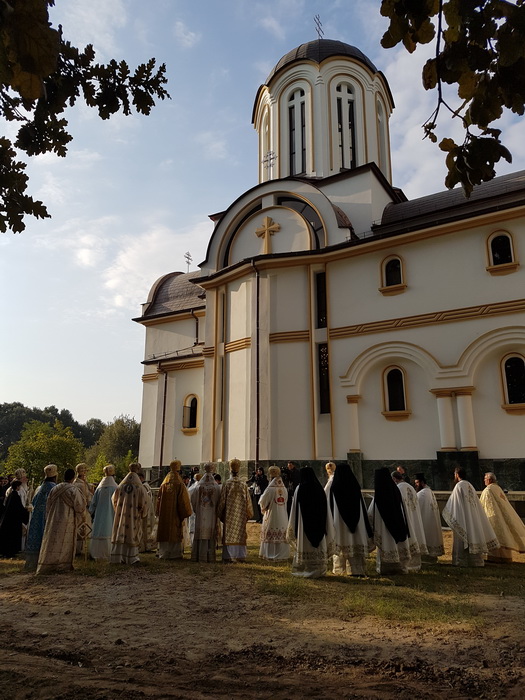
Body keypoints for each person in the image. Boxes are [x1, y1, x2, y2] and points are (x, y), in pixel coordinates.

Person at [442, 467, 499, 567]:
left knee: (461, 539)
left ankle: (461, 561)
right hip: (472, 517)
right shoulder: (470, 485)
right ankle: (475, 561)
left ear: (456, 475)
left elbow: (454, 504)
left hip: (462, 517)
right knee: (473, 535)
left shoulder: (458, 486)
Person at [286, 466, 335, 578]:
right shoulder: (319, 488)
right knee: (319, 547)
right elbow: (325, 509)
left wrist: (294, 524)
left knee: (305, 544)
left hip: (304, 526)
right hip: (319, 524)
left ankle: (306, 568)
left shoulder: (300, 488)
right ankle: (319, 570)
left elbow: (294, 509)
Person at [36, 469, 86, 574]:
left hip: (53, 520)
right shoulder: (73, 489)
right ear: (73, 478)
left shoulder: (55, 488)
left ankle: (48, 565)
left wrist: (49, 517)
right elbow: (80, 507)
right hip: (67, 520)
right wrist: (82, 518)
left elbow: (48, 505)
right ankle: (63, 565)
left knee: (53, 542)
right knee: (65, 542)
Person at [329, 463, 373, 576]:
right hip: (357, 523)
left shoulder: (334, 487)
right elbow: (362, 506)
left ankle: (340, 569)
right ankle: (357, 570)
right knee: (355, 542)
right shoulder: (354, 485)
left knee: (342, 541)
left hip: (340, 523)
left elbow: (330, 507)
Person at [368, 467, 411, 574]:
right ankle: (400, 567)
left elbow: (371, 514)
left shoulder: (379, 496)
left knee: (386, 544)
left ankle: (385, 568)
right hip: (398, 526)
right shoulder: (396, 491)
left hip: (383, 527)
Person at [480, 472, 525, 563]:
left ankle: (494, 557)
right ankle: (505, 557)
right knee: (504, 535)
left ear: (489, 480)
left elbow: (485, 505)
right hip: (502, 517)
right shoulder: (498, 488)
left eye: (485, 478)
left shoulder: (488, 490)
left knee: (495, 535)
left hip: (494, 518)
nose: (484, 480)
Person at [110, 462, 148, 565]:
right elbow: (144, 502)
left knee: (121, 532)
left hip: (121, 515)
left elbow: (114, 499)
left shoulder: (121, 485)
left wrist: (119, 509)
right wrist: (142, 511)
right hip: (133, 515)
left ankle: (118, 557)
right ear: (138, 470)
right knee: (131, 533)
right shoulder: (139, 487)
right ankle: (131, 558)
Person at [217, 458, 253, 562]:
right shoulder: (243, 484)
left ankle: (228, 556)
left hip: (229, 515)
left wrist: (219, 512)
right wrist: (249, 513)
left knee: (230, 533)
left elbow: (222, 501)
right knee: (240, 533)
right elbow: (248, 502)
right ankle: (240, 555)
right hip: (240, 515)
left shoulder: (227, 484)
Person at [156, 459, 192, 559]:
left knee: (165, 530)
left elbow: (158, 498)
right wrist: (186, 512)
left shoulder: (164, 483)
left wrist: (158, 511)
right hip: (175, 514)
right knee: (174, 530)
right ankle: (175, 554)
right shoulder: (179, 483)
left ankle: (163, 553)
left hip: (164, 515)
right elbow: (183, 500)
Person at [391, 471, 427, 571]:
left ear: (394, 479)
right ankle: (415, 565)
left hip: (405, 519)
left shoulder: (398, 488)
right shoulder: (410, 487)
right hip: (414, 517)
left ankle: (407, 564)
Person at [24, 464, 58, 571]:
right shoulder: (54, 488)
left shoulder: (40, 487)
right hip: (48, 517)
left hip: (36, 517)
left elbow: (33, 501)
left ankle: (33, 563)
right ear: (55, 476)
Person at [190, 462, 221, 562]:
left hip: (201, 513)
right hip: (211, 514)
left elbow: (193, 500)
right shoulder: (215, 487)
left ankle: (199, 555)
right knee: (210, 533)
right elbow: (219, 501)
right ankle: (210, 556)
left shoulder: (199, 486)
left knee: (201, 532)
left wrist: (197, 509)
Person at [259, 466, 290, 561]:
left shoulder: (270, 489)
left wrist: (263, 508)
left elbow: (262, 502)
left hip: (272, 515)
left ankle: (270, 554)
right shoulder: (284, 488)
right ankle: (282, 554)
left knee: (270, 530)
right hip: (282, 515)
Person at [89, 465, 118, 561]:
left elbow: (93, 503)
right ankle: (110, 552)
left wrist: (90, 512)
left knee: (99, 531)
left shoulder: (99, 488)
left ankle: (97, 553)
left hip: (99, 516)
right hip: (112, 514)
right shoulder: (116, 487)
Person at [413, 473, 444, 563]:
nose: (416, 485)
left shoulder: (422, 494)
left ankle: (425, 557)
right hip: (429, 520)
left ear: (422, 482)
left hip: (425, 522)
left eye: (417, 483)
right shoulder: (429, 491)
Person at [0, 480, 30, 558]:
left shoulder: (11, 495)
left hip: (9, 519)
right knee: (12, 537)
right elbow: (18, 508)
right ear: (17, 487)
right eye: (19, 486)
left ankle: (7, 552)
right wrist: (26, 510)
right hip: (13, 521)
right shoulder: (15, 496)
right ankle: (11, 552)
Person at [73, 462, 93, 556]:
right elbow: (89, 499)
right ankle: (80, 550)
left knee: (77, 529)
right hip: (83, 510)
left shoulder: (74, 483)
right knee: (83, 529)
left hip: (74, 510)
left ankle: (75, 549)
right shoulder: (82, 485)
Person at [138, 470, 156, 553]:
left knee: (144, 527)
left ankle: (145, 546)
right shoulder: (146, 486)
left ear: (141, 478)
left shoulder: (144, 486)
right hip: (148, 509)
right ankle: (146, 546)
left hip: (145, 509)